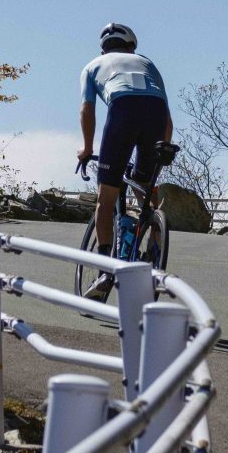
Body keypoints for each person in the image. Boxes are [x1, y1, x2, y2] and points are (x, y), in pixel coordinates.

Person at [77, 22, 173, 301]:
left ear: (103, 49)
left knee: (106, 198)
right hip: (155, 113)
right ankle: (153, 246)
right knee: (144, 189)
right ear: (132, 46)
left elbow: (87, 109)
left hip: (123, 111)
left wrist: (86, 148)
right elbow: (166, 116)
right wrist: (162, 153)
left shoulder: (93, 65)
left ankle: (105, 269)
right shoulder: (147, 63)